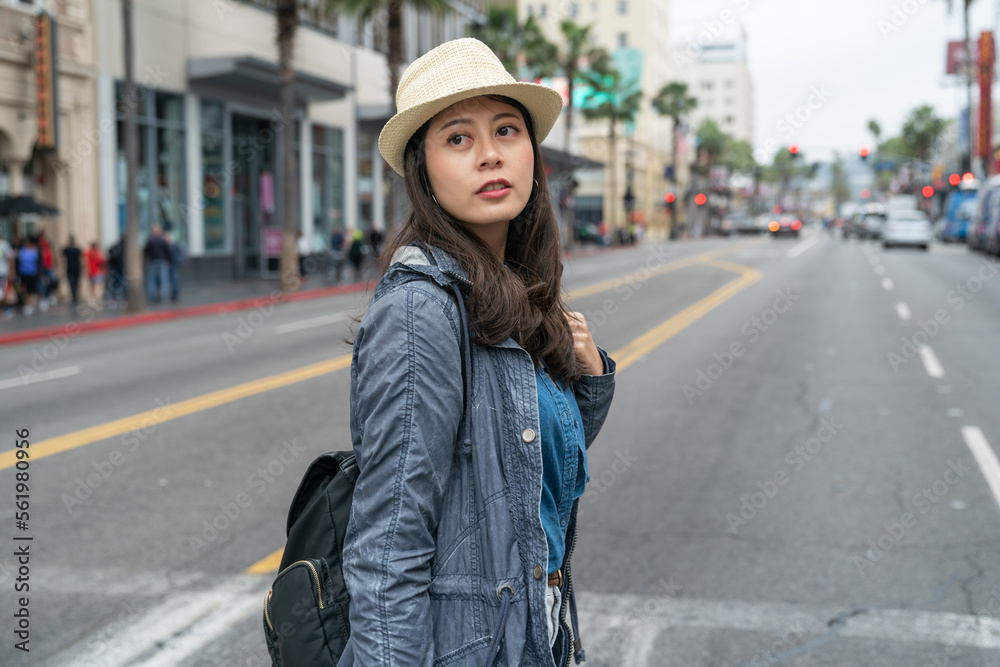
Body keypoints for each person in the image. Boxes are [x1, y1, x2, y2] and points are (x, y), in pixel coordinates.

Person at [336, 38, 616, 666]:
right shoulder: (422, 310)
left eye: (507, 130)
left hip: (535, 630)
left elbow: (519, 466)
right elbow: (389, 546)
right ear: (424, 170)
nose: (490, 154)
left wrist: (590, 380)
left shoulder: (515, 289)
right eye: (458, 138)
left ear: (533, 155)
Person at [143, 224, 171, 302]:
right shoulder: (162, 240)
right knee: (163, 281)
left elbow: (146, 250)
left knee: (152, 281)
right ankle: (164, 298)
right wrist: (168, 260)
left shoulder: (150, 240)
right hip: (162, 261)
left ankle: (152, 297)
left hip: (152, 261)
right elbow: (168, 251)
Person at [16, 235, 41, 314]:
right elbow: (18, 260)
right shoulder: (22, 249)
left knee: (31, 289)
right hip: (23, 272)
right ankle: (27, 304)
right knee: (24, 289)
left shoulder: (35, 249)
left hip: (32, 272)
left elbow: (39, 262)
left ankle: (30, 304)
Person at [165, 232, 186, 302]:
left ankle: (174, 296)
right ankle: (173, 295)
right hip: (172, 265)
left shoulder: (172, 246)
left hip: (173, 265)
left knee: (174, 281)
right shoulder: (174, 245)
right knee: (173, 280)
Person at [106, 239, 127, 309]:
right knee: (123, 284)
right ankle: (123, 300)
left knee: (114, 285)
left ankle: (113, 300)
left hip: (114, 269)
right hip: (120, 268)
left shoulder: (115, 247)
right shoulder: (124, 247)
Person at [62, 235, 83, 305]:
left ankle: (74, 295)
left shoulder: (67, 249)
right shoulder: (76, 249)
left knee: (73, 283)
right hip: (75, 268)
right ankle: (75, 295)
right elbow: (81, 260)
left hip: (71, 268)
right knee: (75, 283)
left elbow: (63, 260)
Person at [0, 231, 14, 318]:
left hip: (3, 272)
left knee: (4, 292)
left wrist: (12, 271)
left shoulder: (4, 245)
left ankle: (6, 308)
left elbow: (11, 258)